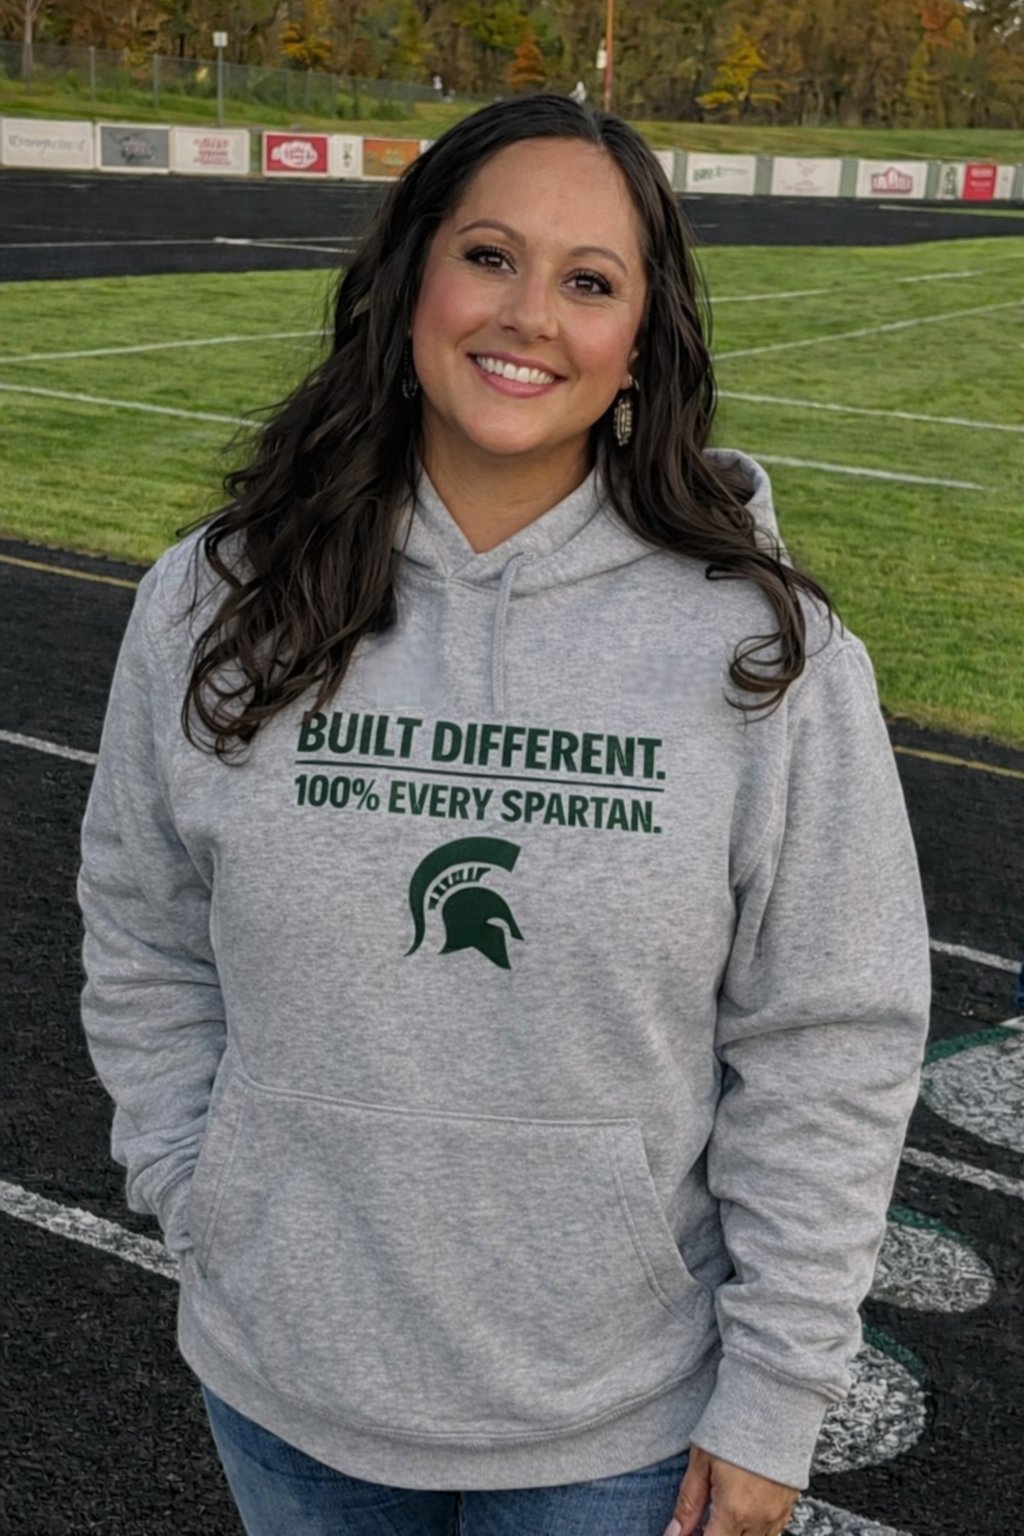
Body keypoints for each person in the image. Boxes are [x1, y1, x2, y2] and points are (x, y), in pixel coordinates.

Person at [79, 95, 931, 1536]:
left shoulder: (761, 648)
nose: (529, 315)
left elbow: (829, 1032)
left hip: (616, 1430)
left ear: (641, 342)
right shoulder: (214, 601)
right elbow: (142, 927)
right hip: (285, 1388)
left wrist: (781, 1391)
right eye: (489, 256)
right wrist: (202, 1188)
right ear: (411, 276)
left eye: (589, 281)